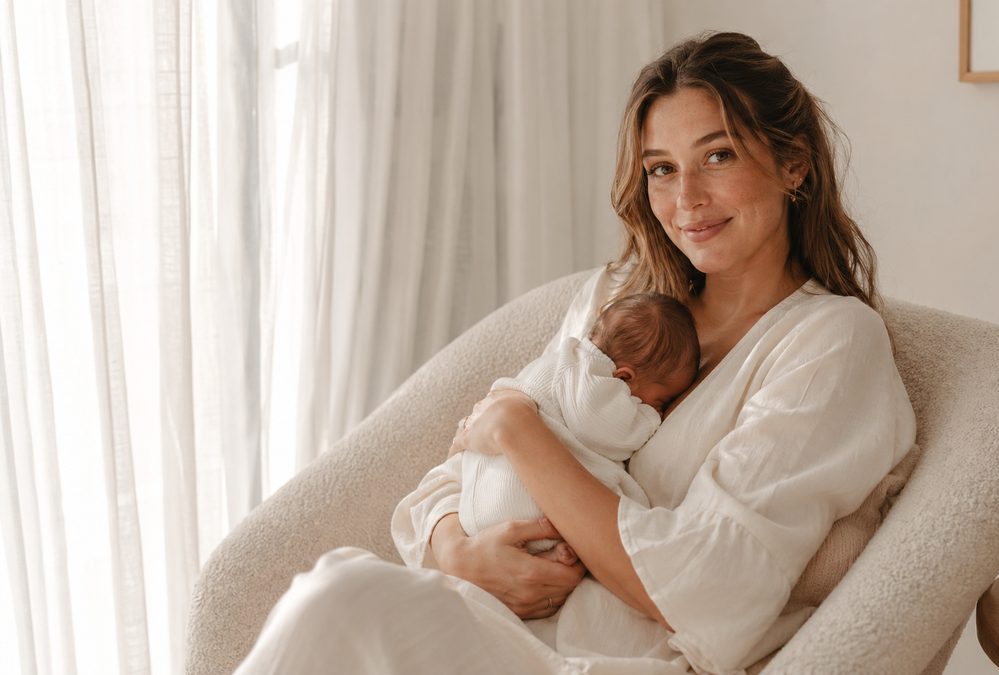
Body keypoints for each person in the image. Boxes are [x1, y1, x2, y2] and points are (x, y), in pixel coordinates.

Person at [234, 31, 917, 675]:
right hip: (491, 619)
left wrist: (520, 428)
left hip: (618, 661)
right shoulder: (619, 300)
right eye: (660, 168)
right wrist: (459, 552)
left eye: (719, 156)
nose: (686, 200)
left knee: (343, 596)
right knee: (337, 587)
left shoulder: (829, 343)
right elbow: (453, 475)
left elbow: (707, 589)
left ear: (793, 162)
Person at [432, 292, 699, 555]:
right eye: (661, 401)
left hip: (478, 505)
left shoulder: (566, 359)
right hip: (509, 499)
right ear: (624, 378)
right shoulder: (592, 382)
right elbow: (609, 431)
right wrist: (652, 421)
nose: (656, 410)